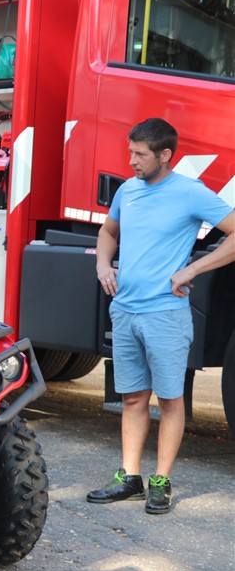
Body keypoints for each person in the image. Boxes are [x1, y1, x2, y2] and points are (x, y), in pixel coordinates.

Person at [88, 118, 235, 514]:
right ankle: (129, 477)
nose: (131, 160)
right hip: (126, 310)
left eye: (140, 154)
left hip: (165, 314)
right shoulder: (128, 191)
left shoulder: (190, 193)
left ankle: (161, 480)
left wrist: (192, 270)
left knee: (170, 399)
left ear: (165, 155)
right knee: (133, 397)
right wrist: (104, 266)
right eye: (130, 151)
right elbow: (108, 232)